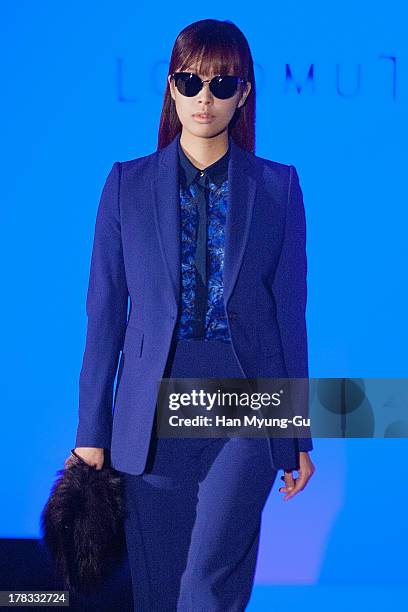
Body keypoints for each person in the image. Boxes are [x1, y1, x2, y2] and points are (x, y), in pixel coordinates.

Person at [66, 18, 316, 611]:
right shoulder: (125, 184)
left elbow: (289, 318)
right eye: (190, 80)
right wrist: (89, 434)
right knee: (159, 591)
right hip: (150, 412)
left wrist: (296, 434)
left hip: (245, 404)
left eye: (222, 84)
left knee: (209, 584)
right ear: (172, 88)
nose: (205, 97)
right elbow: (104, 317)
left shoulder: (279, 187)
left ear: (245, 93)